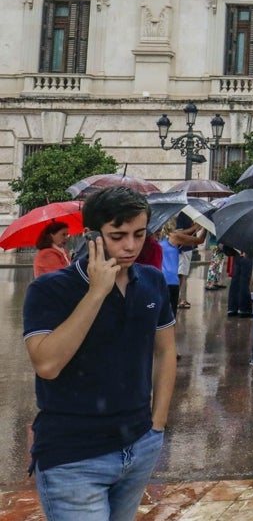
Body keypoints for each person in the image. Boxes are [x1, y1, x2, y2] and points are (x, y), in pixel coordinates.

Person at [23, 186, 175, 521]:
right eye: (118, 236)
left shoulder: (151, 281)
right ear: (92, 236)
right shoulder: (50, 289)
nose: (131, 246)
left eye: (139, 234)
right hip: (73, 455)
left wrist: (158, 424)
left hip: (139, 444)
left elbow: (165, 351)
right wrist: (96, 292)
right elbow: (47, 364)